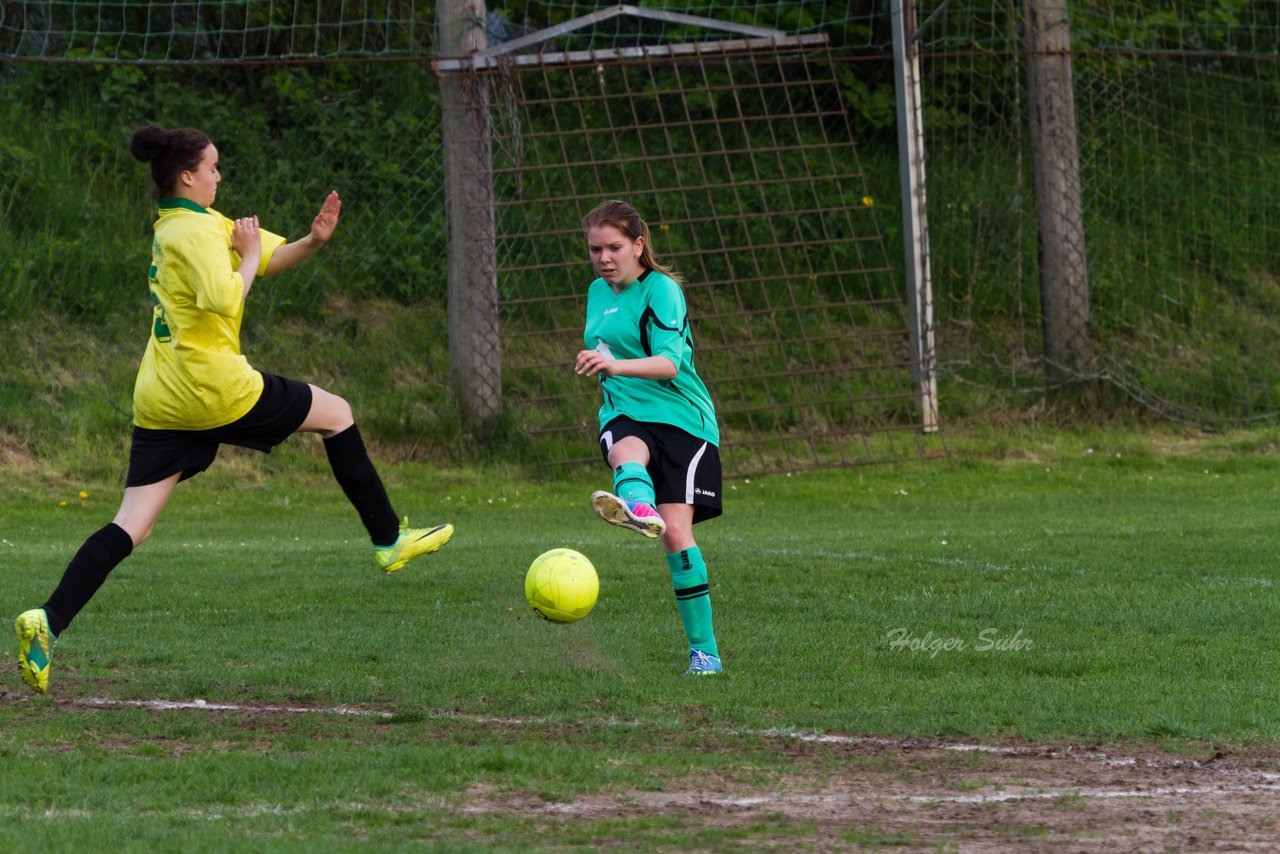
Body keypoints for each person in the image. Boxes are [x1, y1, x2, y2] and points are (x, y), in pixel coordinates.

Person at [15, 124, 453, 694]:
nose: (220, 176)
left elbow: (267, 257)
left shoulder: (183, 224)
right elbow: (226, 297)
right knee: (338, 413)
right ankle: (388, 540)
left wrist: (314, 240)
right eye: (214, 168)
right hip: (214, 388)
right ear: (188, 175)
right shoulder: (195, 235)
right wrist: (245, 256)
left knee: (131, 525)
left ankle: (46, 621)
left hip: (163, 396)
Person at [573, 200, 724, 676]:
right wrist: (601, 363)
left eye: (614, 247)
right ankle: (638, 506)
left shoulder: (663, 290)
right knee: (625, 452)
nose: (604, 258)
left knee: (678, 536)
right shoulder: (597, 292)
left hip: (682, 420)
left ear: (638, 245)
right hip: (624, 409)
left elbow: (669, 364)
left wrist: (613, 363)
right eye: (595, 249)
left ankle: (705, 653)